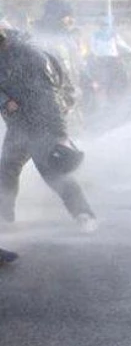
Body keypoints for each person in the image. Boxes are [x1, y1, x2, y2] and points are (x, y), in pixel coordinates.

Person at [0, 28, 95, 230]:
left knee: (52, 172)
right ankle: (4, 219)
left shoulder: (29, 57)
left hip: (41, 122)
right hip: (19, 123)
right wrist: (5, 101)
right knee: (7, 169)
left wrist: (59, 135)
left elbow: (49, 99)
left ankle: (83, 214)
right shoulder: (5, 55)